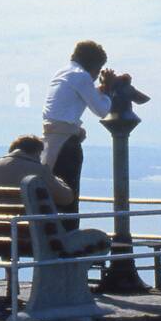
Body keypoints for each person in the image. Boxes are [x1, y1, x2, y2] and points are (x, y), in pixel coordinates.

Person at [41, 40, 135, 223]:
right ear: (94, 66)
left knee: (53, 188)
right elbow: (101, 110)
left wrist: (100, 89)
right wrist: (107, 89)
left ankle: (54, 232)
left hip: (50, 140)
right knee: (68, 191)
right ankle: (69, 234)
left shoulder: (63, 72)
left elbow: (81, 97)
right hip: (67, 144)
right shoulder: (82, 76)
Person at [0, 135, 74, 206]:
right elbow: (66, 199)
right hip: (31, 227)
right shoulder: (40, 169)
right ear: (37, 151)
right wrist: (58, 180)